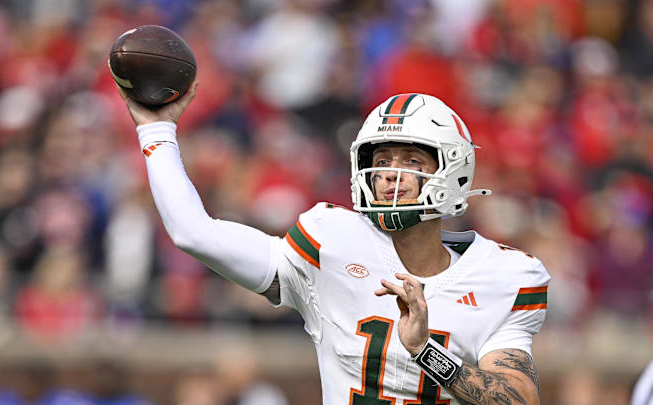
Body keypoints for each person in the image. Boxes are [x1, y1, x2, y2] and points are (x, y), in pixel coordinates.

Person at [116, 83, 550, 405]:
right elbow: (195, 233)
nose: (390, 175)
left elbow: (518, 401)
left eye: (412, 161)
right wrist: (157, 132)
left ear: (454, 172)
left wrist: (425, 351)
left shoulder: (505, 276)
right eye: (382, 161)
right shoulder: (332, 242)